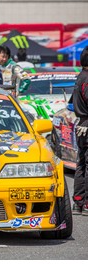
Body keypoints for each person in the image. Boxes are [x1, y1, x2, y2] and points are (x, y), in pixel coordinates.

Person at [72, 46, 88, 215]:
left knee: (81, 164)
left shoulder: (79, 77)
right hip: (87, 123)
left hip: (80, 124)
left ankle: (78, 201)